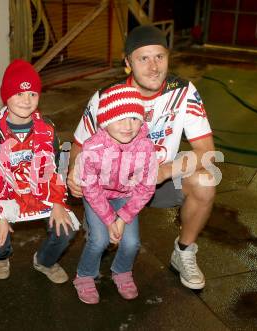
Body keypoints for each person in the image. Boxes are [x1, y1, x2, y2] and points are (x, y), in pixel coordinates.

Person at [67, 25, 216, 290]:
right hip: (112, 183)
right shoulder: (106, 97)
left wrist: (163, 171)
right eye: (143, 58)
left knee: (206, 181)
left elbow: (206, 151)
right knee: (101, 238)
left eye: (159, 56)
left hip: (159, 178)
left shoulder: (182, 91)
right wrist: (72, 174)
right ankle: (97, 232)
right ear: (128, 63)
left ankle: (183, 251)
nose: (154, 67)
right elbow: (79, 144)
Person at [0, 59, 76, 284]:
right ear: (6, 96)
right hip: (5, 194)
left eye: (33, 94)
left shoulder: (47, 128)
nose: (26, 100)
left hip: (39, 191)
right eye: (19, 93)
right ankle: (2, 257)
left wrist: (59, 203)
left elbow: (58, 169)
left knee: (66, 229)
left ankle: (44, 260)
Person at [72, 85, 156, 304]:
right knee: (98, 240)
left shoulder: (146, 147)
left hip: (127, 195)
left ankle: (122, 271)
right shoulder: (92, 147)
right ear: (105, 121)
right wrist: (110, 220)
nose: (129, 126)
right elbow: (90, 188)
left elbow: (146, 188)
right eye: (120, 119)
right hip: (97, 195)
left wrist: (123, 218)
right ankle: (85, 275)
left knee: (131, 243)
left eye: (135, 118)